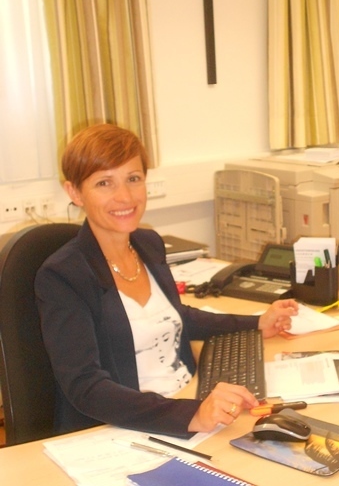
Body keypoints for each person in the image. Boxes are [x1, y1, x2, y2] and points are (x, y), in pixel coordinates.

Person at [35, 123, 298, 438]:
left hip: (188, 400)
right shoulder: (63, 276)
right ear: (75, 193)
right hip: (127, 427)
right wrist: (190, 415)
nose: (125, 196)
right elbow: (85, 387)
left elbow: (178, 316)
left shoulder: (148, 245)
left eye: (133, 179)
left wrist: (256, 324)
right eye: (104, 183)